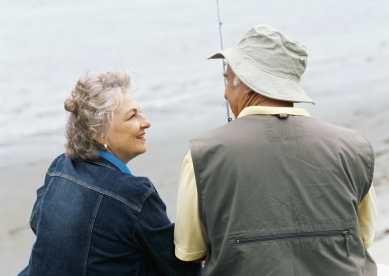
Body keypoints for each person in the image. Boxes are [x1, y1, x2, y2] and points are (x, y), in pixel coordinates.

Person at [174, 24, 379, 275]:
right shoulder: (355, 148)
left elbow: (190, 251)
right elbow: (364, 238)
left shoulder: (202, 154)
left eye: (227, 81)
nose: (225, 94)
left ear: (246, 82)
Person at [19, 69, 201, 276]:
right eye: (132, 115)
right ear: (96, 133)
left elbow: (38, 224)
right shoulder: (135, 194)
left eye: (139, 111)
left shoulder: (59, 167)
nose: (146, 121)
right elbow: (179, 268)